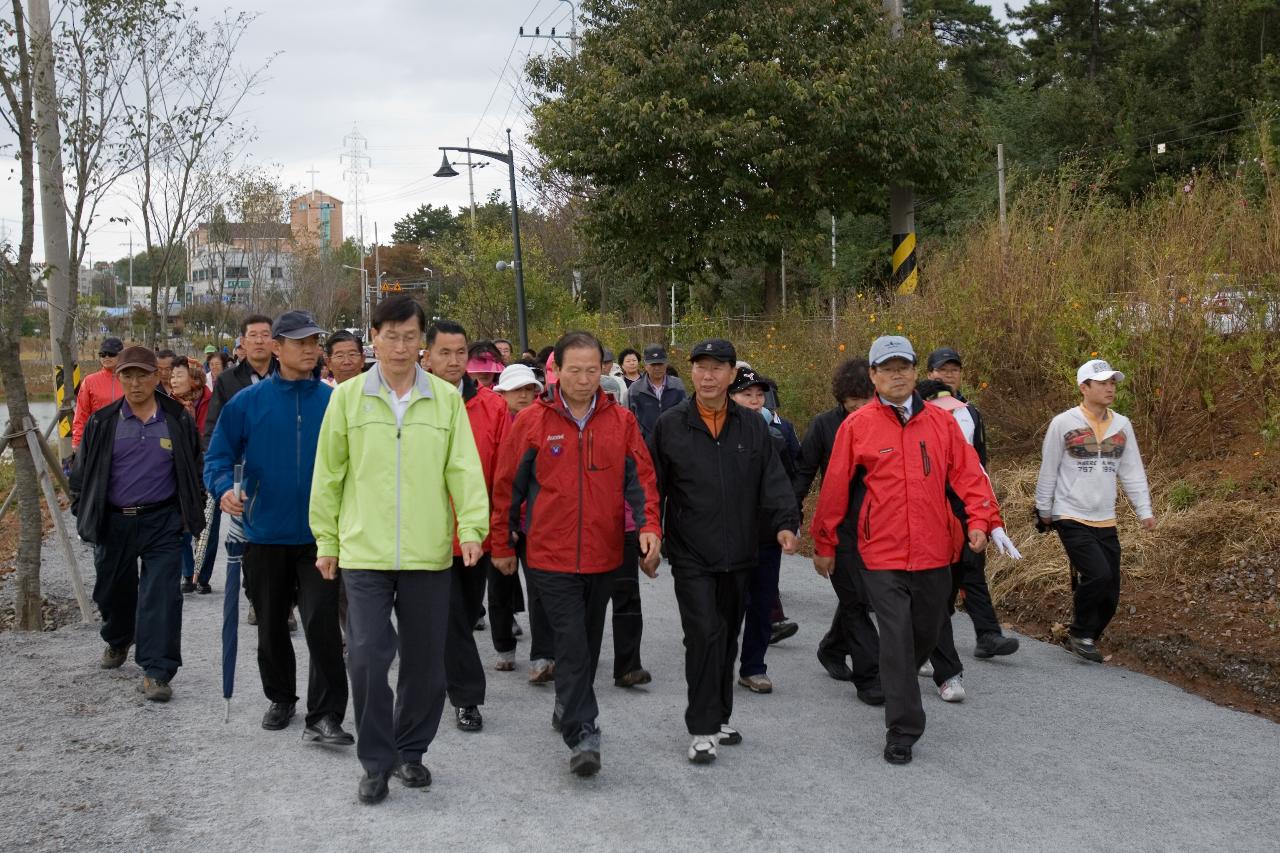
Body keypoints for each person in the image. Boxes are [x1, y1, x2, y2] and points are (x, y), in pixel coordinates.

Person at [311, 295, 489, 805]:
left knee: (426, 664)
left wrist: (473, 527)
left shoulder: (445, 399)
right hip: (363, 551)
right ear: (373, 338)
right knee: (367, 655)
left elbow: (463, 469)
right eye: (390, 336)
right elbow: (329, 474)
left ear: (424, 345)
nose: (400, 346)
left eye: (411, 337)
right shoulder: (346, 399)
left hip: (427, 552)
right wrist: (327, 539)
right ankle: (376, 760)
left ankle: (411, 751)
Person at [810, 335, 1001, 766]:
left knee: (926, 632)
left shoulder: (941, 423)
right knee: (895, 638)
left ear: (916, 372)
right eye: (887, 368)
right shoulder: (857, 427)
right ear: (873, 376)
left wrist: (979, 520)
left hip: (936, 551)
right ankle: (903, 729)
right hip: (881, 554)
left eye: (904, 366)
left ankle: (899, 679)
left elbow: (970, 476)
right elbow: (835, 489)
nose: (897, 374)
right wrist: (825, 542)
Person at [491, 331, 662, 778]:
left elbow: (642, 480)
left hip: (605, 554)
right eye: (574, 370)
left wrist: (649, 527)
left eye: (592, 369)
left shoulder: (621, 422)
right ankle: (583, 732)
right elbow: (506, 488)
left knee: (585, 639)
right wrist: (502, 544)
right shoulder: (532, 421)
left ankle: (567, 700)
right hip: (549, 554)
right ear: (556, 371)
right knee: (570, 640)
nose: (585, 379)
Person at [648, 339, 799, 764]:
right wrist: (648, 533)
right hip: (692, 553)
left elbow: (772, 479)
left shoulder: (752, 427)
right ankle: (701, 727)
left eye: (718, 368)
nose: (708, 376)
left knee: (727, 636)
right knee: (703, 635)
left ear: (733, 375)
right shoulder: (671, 424)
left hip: (741, 552)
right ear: (691, 373)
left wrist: (786, 523)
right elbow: (651, 485)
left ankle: (721, 715)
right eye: (700, 367)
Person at [204, 311, 350, 745]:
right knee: (270, 625)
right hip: (264, 532)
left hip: (320, 536)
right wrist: (222, 490)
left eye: (314, 341)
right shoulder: (247, 403)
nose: (309, 349)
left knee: (323, 625)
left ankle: (325, 715)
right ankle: (281, 696)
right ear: (277, 347)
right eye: (299, 342)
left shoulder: (334, 401)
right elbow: (216, 458)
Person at [69, 346, 205, 702]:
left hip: (162, 521)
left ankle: (157, 671)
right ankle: (118, 638)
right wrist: (80, 505)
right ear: (119, 379)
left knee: (161, 595)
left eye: (141, 375)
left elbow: (193, 467)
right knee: (114, 592)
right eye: (126, 376)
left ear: (155, 377)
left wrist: (189, 513)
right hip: (114, 521)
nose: (134, 383)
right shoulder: (103, 421)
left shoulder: (176, 418)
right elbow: (81, 474)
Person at [1035, 358, 1155, 663]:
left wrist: (1145, 511)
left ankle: (1086, 635)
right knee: (1098, 575)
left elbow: (1132, 471)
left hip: (1105, 517)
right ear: (1084, 387)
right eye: (1102, 383)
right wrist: (1043, 509)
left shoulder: (1122, 424)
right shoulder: (1063, 423)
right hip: (1069, 513)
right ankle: (1079, 632)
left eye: (1112, 382)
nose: (1109, 388)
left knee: (1111, 591)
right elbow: (1049, 469)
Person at [422, 320, 510, 733]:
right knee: (453, 617)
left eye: (461, 353)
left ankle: (443, 673)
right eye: (445, 352)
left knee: (463, 612)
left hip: (477, 534)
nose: (454, 361)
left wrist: (499, 527)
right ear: (428, 356)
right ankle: (467, 696)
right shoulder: (412, 403)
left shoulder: (492, 407)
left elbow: (504, 474)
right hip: (426, 534)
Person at [794, 358, 883, 704]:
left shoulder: (888, 426)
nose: (860, 409)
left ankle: (832, 647)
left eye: (866, 401)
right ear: (841, 400)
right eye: (853, 403)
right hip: (839, 528)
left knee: (864, 598)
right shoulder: (824, 427)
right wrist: (791, 515)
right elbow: (804, 472)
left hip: (879, 528)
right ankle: (871, 678)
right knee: (856, 601)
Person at [726, 366, 801, 696]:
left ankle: (754, 667)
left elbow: (788, 480)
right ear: (731, 397)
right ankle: (718, 664)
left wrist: (789, 521)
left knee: (761, 602)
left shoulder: (779, 431)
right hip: (728, 533)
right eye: (747, 395)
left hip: (767, 531)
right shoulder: (719, 432)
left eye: (759, 395)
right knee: (729, 604)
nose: (755, 401)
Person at [204, 314, 279, 627]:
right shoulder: (228, 381)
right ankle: (256, 597)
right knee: (250, 541)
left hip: (285, 470)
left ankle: (283, 602)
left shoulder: (292, 376)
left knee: (285, 541)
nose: (260, 340)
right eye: (253, 335)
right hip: (244, 474)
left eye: (266, 334)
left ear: (275, 342)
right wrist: (218, 475)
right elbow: (213, 429)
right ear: (242, 343)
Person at [493, 363, 551, 681]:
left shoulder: (543, 422)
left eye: (530, 389)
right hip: (499, 514)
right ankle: (504, 648)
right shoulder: (496, 424)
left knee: (540, 587)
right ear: (501, 393)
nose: (525, 395)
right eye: (518, 390)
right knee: (500, 586)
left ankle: (542, 655)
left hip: (535, 518)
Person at [171, 358, 214, 596]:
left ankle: (203, 576)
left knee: (209, 524)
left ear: (195, 378)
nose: (173, 380)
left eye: (179, 375)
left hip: (206, 467)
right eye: (173, 375)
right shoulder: (166, 404)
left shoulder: (210, 401)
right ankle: (188, 572)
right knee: (181, 520)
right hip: (178, 469)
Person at [71, 336, 124, 451]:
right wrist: (77, 441)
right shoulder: (90, 381)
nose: (106, 357)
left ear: (121, 355)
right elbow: (81, 413)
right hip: (97, 439)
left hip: (125, 438)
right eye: (102, 354)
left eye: (111, 354)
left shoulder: (130, 380)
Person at [628, 343, 685, 438]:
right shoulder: (635, 389)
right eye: (653, 364)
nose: (657, 368)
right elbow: (628, 420)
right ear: (645, 365)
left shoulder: (677, 385)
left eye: (660, 363)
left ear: (666, 364)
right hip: (645, 446)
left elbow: (685, 415)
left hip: (673, 444)